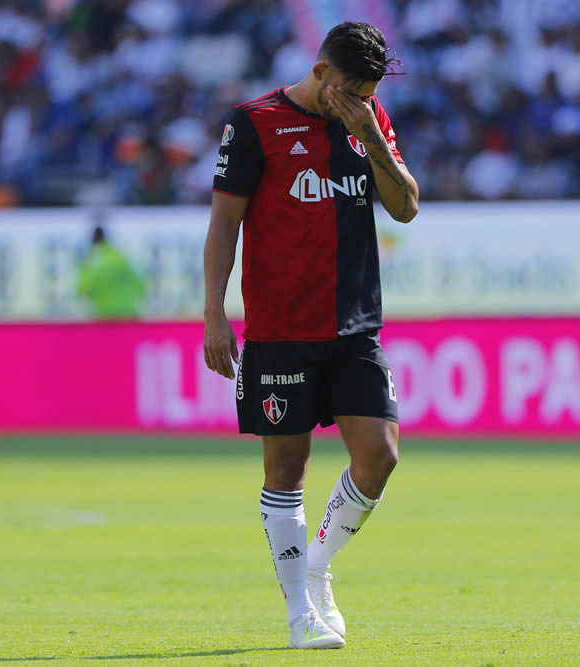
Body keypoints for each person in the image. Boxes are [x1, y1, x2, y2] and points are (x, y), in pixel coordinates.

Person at [202, 22, 418, 650]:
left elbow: (405, 207)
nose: (356, 101)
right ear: (320, 71)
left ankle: (318, 564)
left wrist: (372, 138)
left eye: (367, 93)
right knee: (286, 468)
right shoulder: (252, 122)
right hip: (279, 330)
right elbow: (223, 227)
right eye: (349, 90)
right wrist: (215, 313)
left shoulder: (368, 123)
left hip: (354, 325)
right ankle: (300, 612)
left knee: (380, 454)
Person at [77, 225, 146, 319]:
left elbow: (84, 287)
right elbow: (140, 284)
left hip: (105, 315)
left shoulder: (93, 258)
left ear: (93, 241)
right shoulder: (120, 256)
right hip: (129, 313)